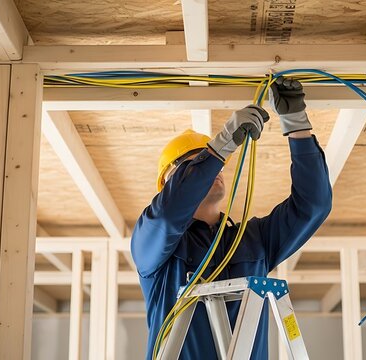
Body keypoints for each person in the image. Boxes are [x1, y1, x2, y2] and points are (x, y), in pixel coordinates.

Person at [131, 77, 332, 359]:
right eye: (194, 162)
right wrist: (219, 147)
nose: (212, 167)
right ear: (167, 184)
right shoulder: (153, 247)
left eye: (213, 161)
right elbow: (166, 217)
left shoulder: (253, 240)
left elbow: (313, 205)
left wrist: (297, 123)